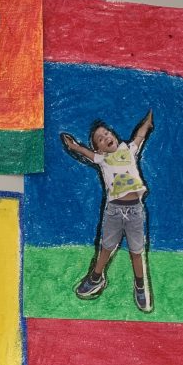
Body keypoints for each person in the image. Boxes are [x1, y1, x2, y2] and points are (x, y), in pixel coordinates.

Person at [60, 109, 154, 311]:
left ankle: (140, 285)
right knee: (106, 247)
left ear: (114, 135)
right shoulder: (102, 159)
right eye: (100, 139)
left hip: (135, 211)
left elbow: (140, 136)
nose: (105, 137)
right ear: (100, 149)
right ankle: (96, 278)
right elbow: (86, 153)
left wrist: (147, 123)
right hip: (113, 211)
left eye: (106, 133)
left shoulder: (129, 150)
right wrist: (74, 146)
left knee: (136, 251)